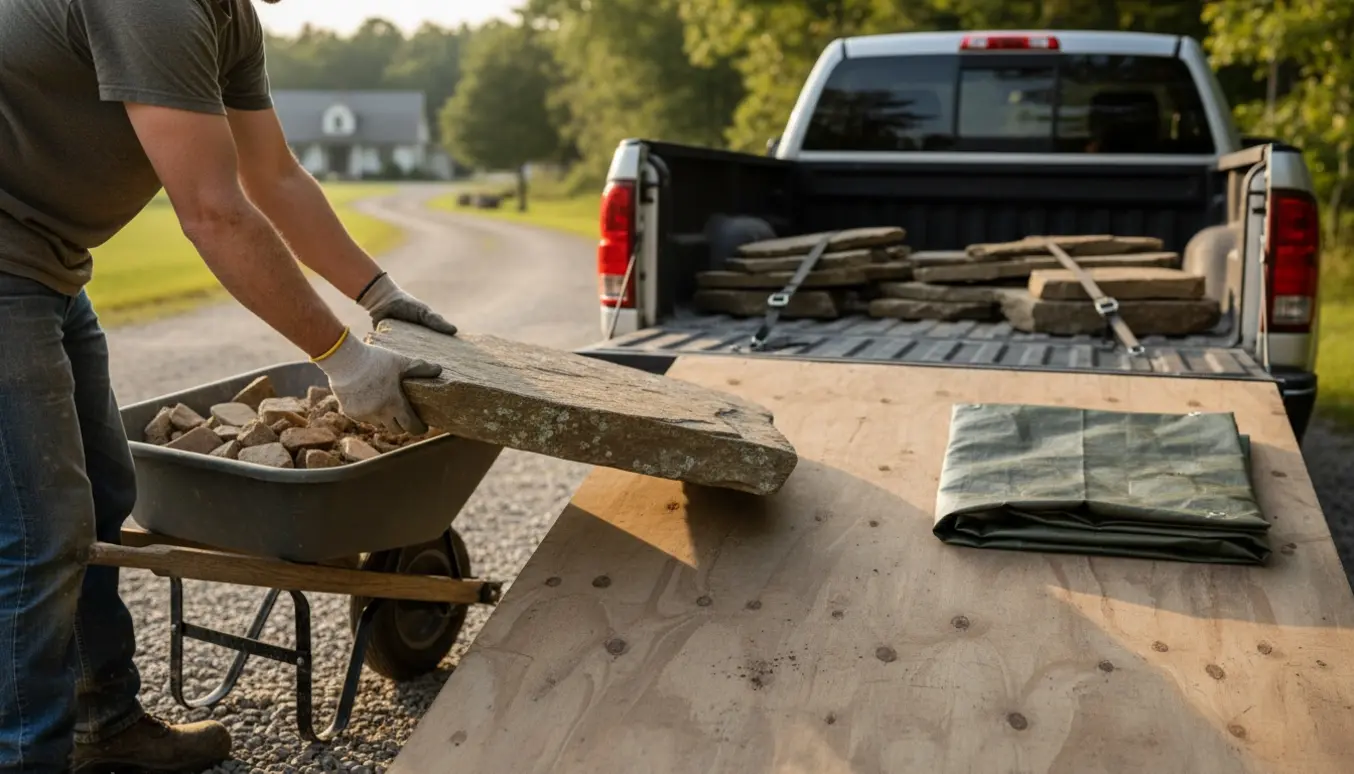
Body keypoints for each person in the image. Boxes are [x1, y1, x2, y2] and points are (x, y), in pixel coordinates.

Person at [0, 0, 458, 770]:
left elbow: (273, 177)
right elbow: (213, 213)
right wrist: (343, 358)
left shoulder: (227, 17)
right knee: (38, 531)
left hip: (45, 269)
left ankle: (100, 724)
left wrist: (377, 293)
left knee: (102, 497)